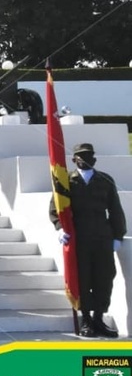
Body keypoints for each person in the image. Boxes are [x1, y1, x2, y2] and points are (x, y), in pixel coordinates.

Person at [50, 143, 127, 338]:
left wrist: (118, 235)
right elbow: (56, 208)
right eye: (80, 156)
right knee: (82, 278)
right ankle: (86, 320)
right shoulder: (66, 181)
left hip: (102, 236)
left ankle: (99, 318)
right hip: (79, 238)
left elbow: (115, 209)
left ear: (94, 159)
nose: (84, 159)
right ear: (73, 160)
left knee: (105, 277)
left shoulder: (105, 180)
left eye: (88, 156)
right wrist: (60, 228)